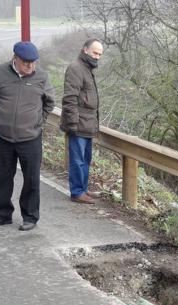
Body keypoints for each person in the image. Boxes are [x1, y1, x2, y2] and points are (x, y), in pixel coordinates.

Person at [0, 41, 55, 231]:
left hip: (30, 138)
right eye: (26, 62)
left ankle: (30, 217)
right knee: (3, 177)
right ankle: (3, 214)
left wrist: (39, 123)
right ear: (15, 59)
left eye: (33, 62)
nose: (30, 66)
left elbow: (49, 102)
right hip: (3, 137)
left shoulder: (41, 77)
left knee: (31, 179)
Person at [60, 38, 104, 204]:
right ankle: (77, 192)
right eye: (95, 52)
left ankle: (83, 189)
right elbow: (70, 98)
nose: (97, 56)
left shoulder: (87, 68)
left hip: (87, 123)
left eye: (100, 54)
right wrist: (72, 124)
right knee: (77, 161)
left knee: (85, 159)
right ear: (85, 50)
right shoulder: (76, 68)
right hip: (78, 124)